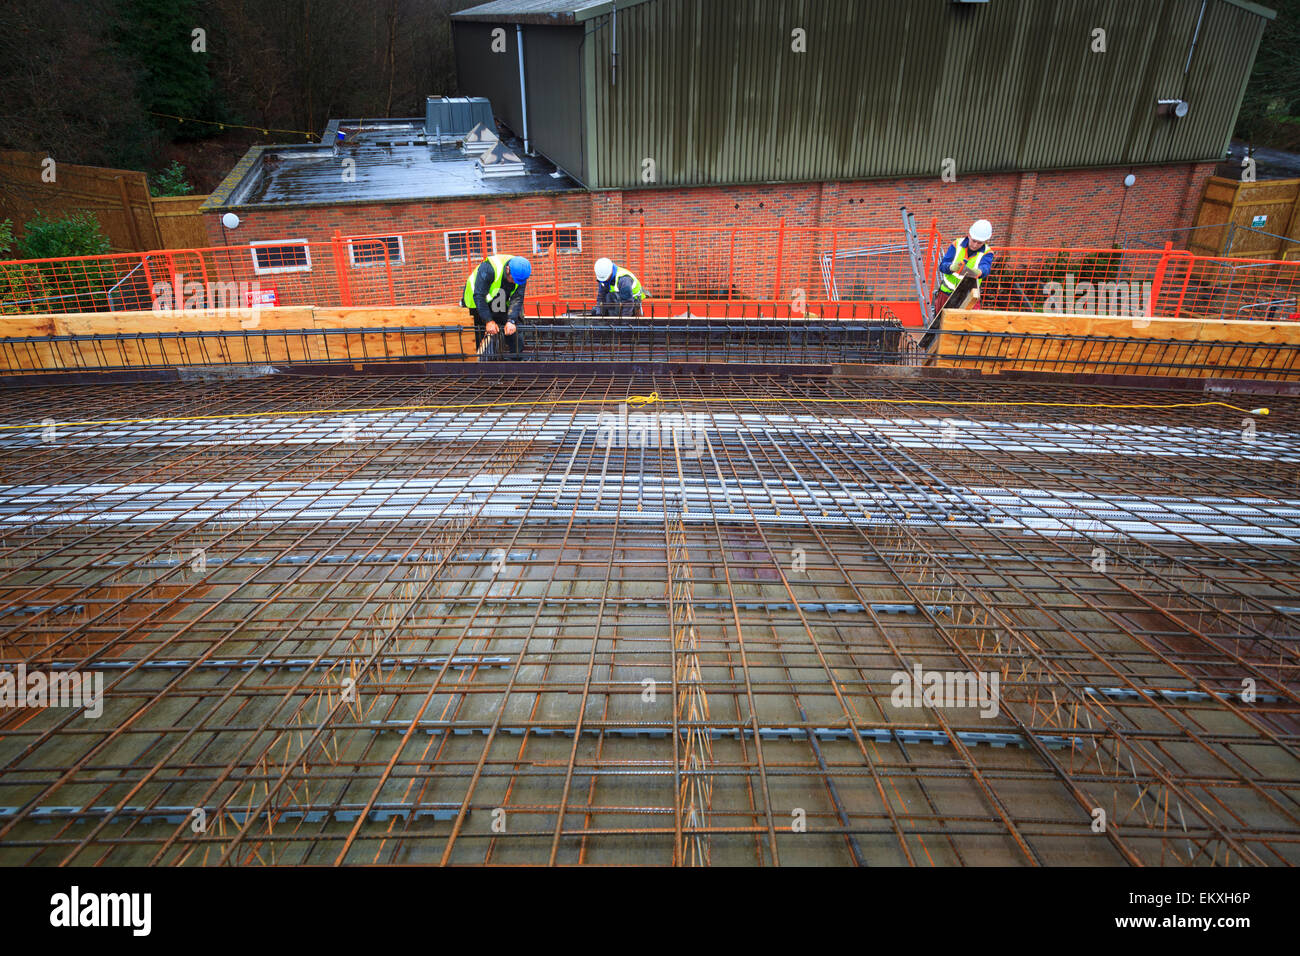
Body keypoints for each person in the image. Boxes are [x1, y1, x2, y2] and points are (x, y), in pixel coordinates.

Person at [462, 254, 530, 359]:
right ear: (508, 269)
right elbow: (479, 296)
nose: (515, 283)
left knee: (514, 331)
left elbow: (518, 298)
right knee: (477, 334)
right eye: (513, 279)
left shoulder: (520, 275)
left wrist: (511, 321)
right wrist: (488, 320)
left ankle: (515, 362)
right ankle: (474, 365)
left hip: (497, 298)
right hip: (475, 302)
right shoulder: (489, 268)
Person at [934, 220, 994, 314]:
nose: (975, 245)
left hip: (969, 297)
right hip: (946, 294)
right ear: (969, 235)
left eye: (979, 243)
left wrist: (979, 271)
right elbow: (942, 266)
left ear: (985, 241)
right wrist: (951, 268)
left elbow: (985, 268)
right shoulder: (956, 244)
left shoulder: (987, 252)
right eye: (974, 241)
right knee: (941, 325)